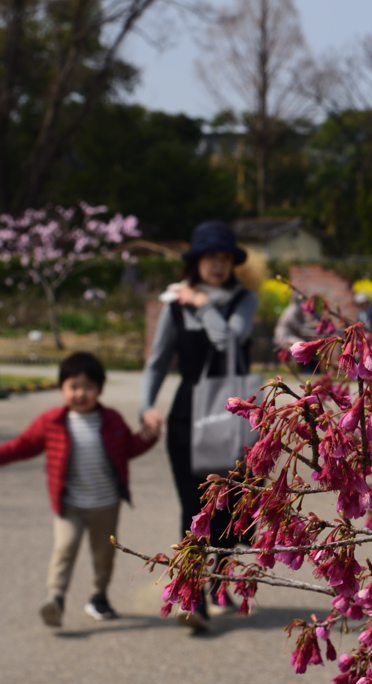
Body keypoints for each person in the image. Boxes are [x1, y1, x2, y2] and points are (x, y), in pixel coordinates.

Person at [139, 220, 259, 632]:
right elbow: (157, 362)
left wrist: (203, 304)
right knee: (194, 509)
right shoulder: (175, 306)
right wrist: (145, 406)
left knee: (227, 507)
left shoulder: (244, 300)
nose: (218, 264)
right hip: (186, 417)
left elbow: (229, 340)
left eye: (225, 257)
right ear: (196, 261)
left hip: (233, 414)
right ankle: (194, 599)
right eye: (210, 257)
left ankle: (220, 582)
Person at [0, 352, 158, 627]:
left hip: (106, 504)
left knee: (104, 555)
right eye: (73, 386)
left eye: (88, 387)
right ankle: (56, 599)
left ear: (100, 389)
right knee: (64, 549)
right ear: (62, 388)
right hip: (69, 504)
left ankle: (99, 596)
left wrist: (149, 434)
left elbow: (128, 448)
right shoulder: (51, 421)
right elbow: (23, 445)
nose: (81, 393)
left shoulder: (112, 419)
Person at [273, 292, 320, 373]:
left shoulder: (297, 310)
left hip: (291, 335)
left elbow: (302, 324)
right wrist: (312, 324)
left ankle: (311, 368)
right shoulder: (292, 311)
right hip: (284, 337)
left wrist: (311, 323)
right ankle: (305, 369)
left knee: (308, 344)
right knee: (303, 345)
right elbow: (299, 327)